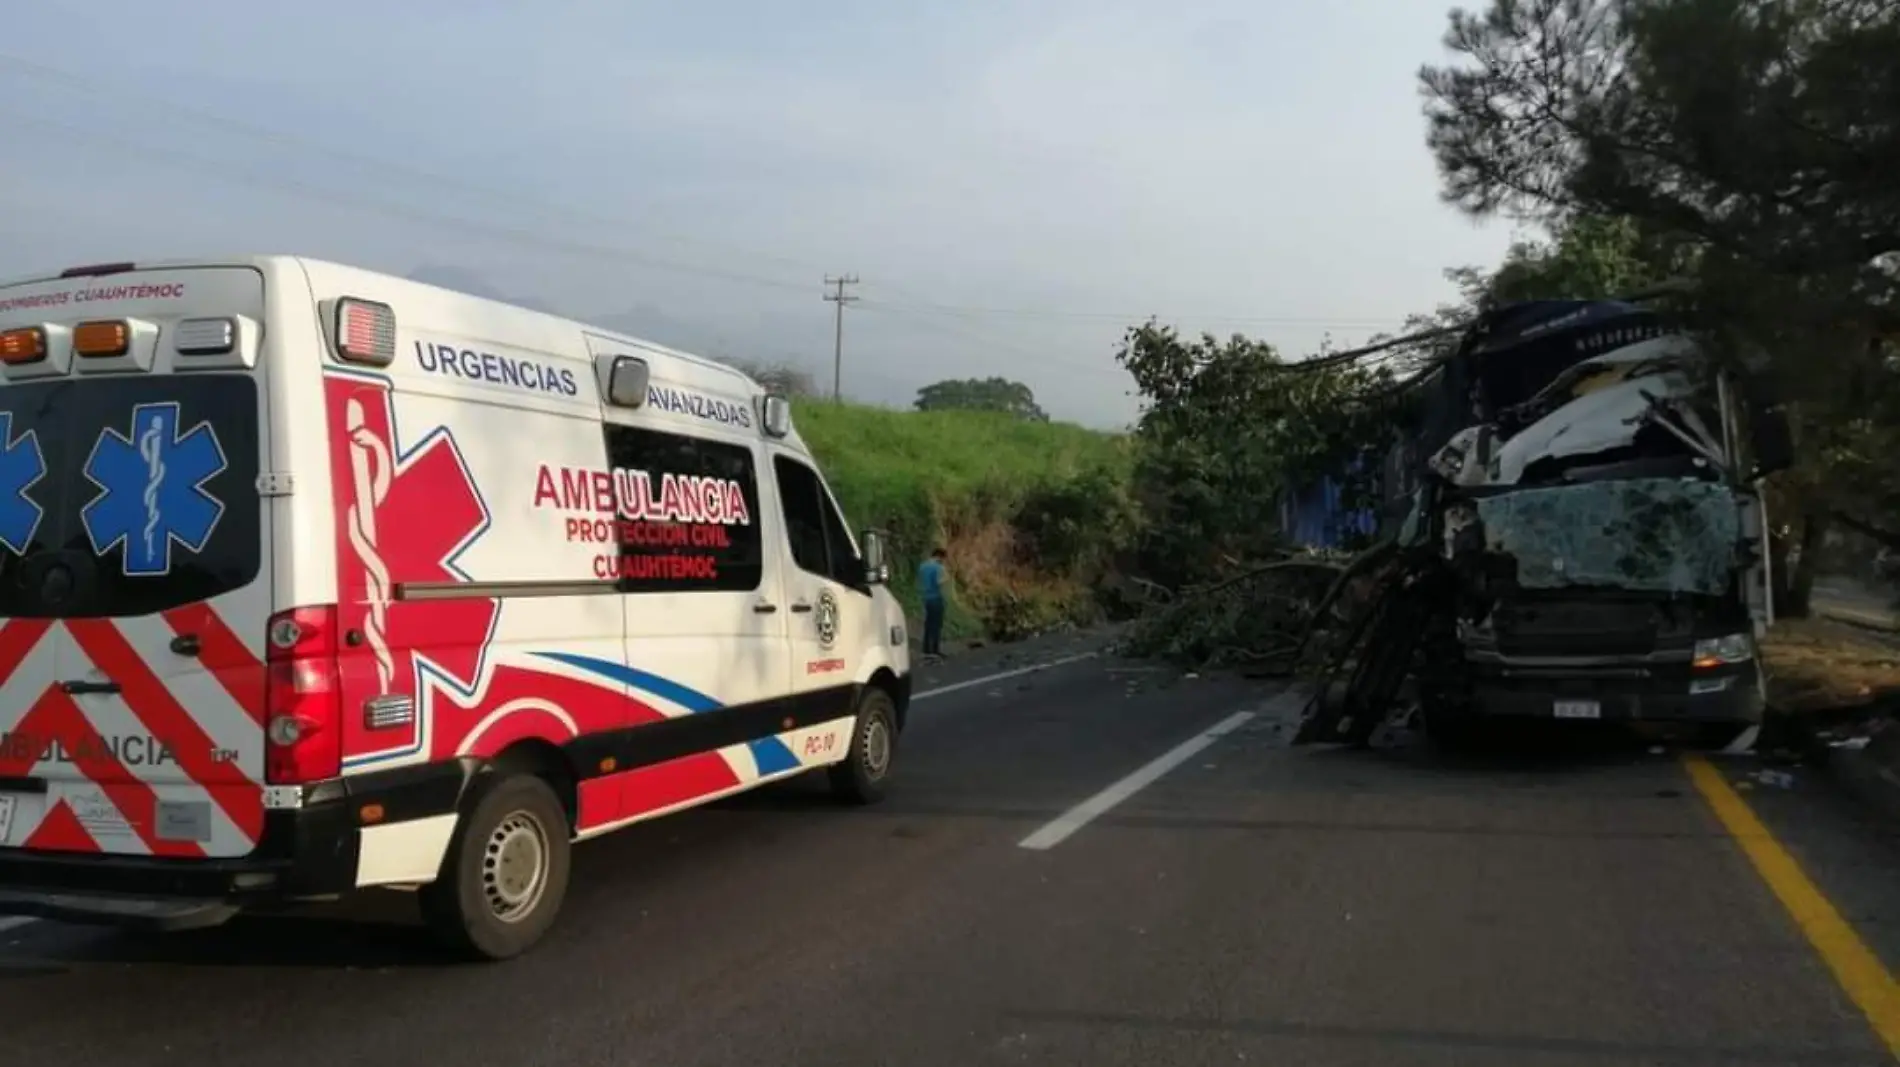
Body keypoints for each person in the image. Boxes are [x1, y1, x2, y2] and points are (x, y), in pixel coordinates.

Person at [918, 547, 949, 659]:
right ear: (940, 557)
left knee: (928, 624)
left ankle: (926, 649)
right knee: (936, 625)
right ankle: (935, 650)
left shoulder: (922, 566)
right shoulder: (939, 568)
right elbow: (939, 582)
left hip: (926, 598)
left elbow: (920, 582)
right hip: (936, 597)